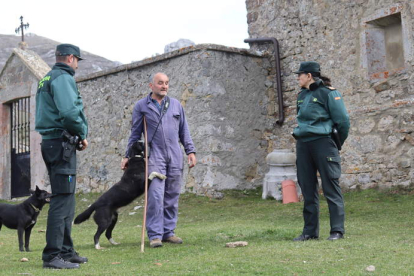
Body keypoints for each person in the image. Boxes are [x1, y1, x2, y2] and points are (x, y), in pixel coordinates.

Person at [121, 72, 196, 248]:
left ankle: (168, 232)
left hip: (175, 154)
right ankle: (155, 235)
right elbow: (135, 133)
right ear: (151, 86)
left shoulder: (176, 105)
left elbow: (184, 130)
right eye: (160, 83)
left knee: (172, 195)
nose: (164, 86)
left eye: (167, 83)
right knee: (155, 195)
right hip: (155, 155)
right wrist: (127, 156)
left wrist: (190, 151)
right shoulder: (142, 106)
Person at [35, 44, 88, 269]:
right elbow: (69, 112)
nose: (77, 65)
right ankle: (53, 256)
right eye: (77, 60)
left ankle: (66, 251)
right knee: (62, 199)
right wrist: (81, 133)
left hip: (53, 143)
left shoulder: (46, 78)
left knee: (67, 197)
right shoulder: (63, 77)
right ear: (70, 58)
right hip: (61, 143)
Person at [292, 61, 350, 241]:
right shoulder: (302, 95)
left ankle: (337, 231)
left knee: (330, 187)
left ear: (309, 75)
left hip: (323, 143)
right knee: (307, 189)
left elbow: (342, 121)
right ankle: (309, 232)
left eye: (300, 74)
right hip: (303, 145)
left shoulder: (329, 93)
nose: (298, 78)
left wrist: (335, 143)